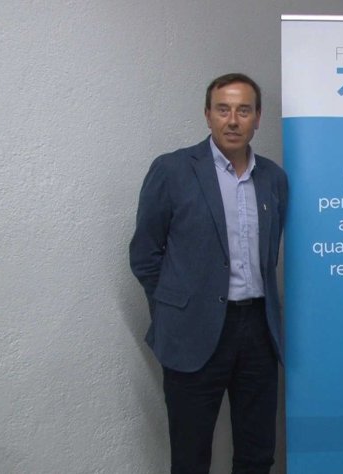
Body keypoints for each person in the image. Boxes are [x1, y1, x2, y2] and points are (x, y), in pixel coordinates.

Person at [130, 73, 288, 473]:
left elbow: (271, 254)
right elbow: (145, 254)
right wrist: (175, 309)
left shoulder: (273, 178)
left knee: (257, 453)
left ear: (257, 118)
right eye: (223, 109)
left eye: (243, 110)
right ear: (207, 115)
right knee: (190, 456)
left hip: (258, 332)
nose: (232, 120)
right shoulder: (172, 170)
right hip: (193, 332)